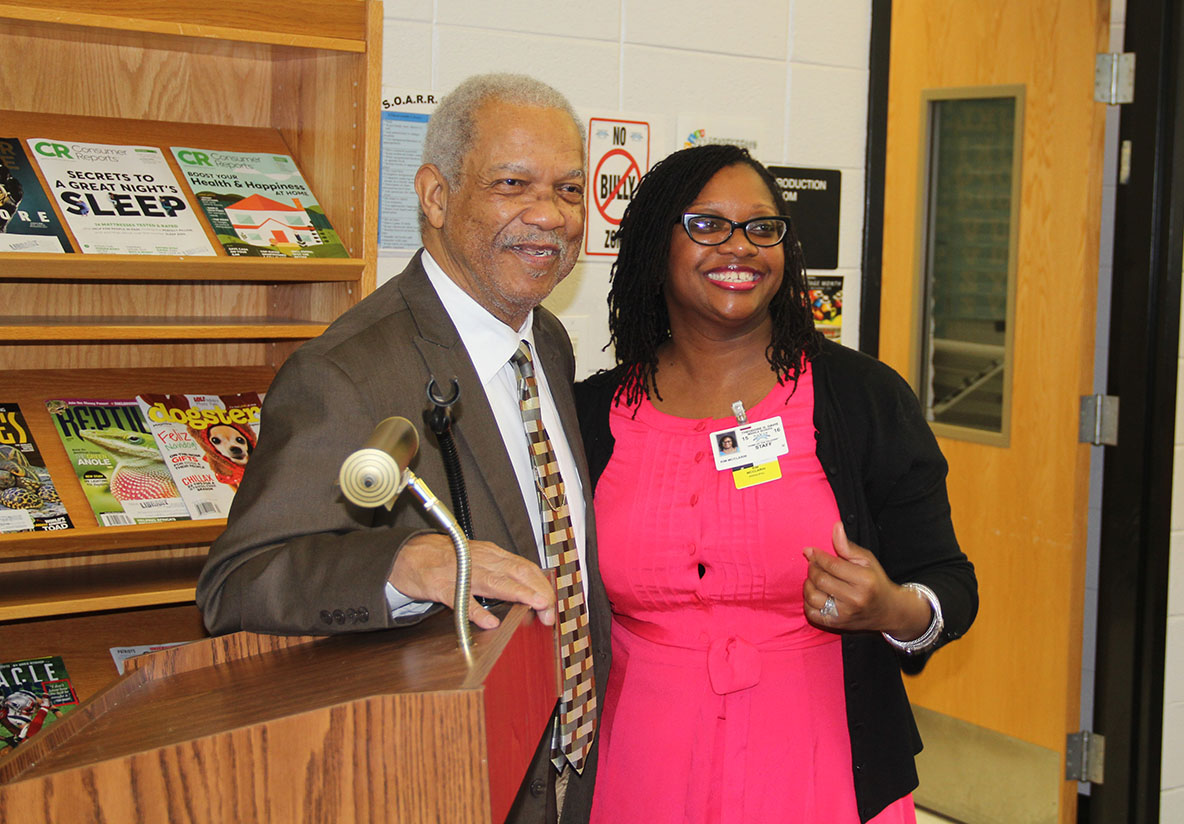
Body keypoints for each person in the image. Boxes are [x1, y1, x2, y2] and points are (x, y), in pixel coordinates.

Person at [196, 73, 611, 824]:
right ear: (435, 195)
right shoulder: (345, 373)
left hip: (559, 775)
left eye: (570, 190)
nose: (549, 217)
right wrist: (404, 564)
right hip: (440, 780)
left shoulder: (544, 340)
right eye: (513, 184)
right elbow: (237, 582)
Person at [574, 144, 977, 823]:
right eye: (708, 225)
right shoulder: (591, 415)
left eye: (763, 228)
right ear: (653, 246)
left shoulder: (861, 400)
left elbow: (949, 584)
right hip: (637, 766)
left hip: (821, 766)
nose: (741, 247)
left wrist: (891, 608)